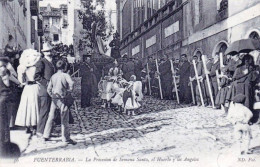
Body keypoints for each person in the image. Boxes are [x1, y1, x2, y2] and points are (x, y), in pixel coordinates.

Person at [42, 60, 76, 145]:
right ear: (64, 67)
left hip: (55, 98)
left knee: (51, 116)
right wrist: (69, 91)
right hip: (63, 98)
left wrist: (52, 95)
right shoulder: (65, 75)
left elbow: (49, 88)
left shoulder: (53, 76)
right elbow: (71, 83)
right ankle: (65, 138)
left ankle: (46, 135)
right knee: (64, 118)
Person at [15, 49, 41, 134]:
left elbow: (21, 81)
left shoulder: (23, 68)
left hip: (27, 87)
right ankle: (34, 126)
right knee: (35, 106)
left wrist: (23, 81)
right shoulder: (35, 67)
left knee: (27, 106)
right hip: (35, 86)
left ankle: (27, 126)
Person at [34, 42, 56, 137]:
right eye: (47, 51)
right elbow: (37, 76)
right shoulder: (41, 62)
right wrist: (47, 83)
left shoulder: (53, 61)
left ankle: (48, 131)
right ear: (44, 52)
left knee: (51, 111)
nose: (49, 53)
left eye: (50, 51)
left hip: (52, 90)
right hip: (45, 90)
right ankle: (40, 131)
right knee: (44, 110)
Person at [0, 56, 12, 156]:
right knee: (3, 125)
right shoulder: (4, 71)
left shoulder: (3, 71)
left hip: (2, 99)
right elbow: (7, 85)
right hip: (3, 99)